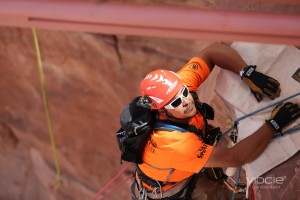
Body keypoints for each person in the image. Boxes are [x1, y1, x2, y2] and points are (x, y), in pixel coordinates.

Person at [132, 42, 300, 200]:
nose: (186, 100)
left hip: (187, 153)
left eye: (184, 92)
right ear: (161, 110)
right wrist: (274, 124)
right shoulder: (172, 144)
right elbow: (236, 158)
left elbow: (212, 52)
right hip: (174, 187)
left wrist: (248, 73)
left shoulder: (175, 88)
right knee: (216, 193)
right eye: (176, 103)